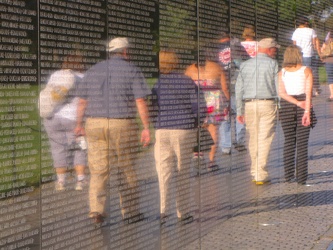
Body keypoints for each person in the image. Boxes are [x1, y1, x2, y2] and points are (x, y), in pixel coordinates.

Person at [75, 37, 151, 225]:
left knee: (98, 169)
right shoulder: (132, 69)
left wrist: (78, 124)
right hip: (121, 123)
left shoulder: (93, 70)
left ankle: (96, 209)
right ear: (125, 52)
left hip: (94, 123)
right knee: (126, 167)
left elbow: (82, 101)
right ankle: (130, 211)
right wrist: (146, 127)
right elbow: (140, 101)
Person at [151, 51, 201, 225]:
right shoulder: (187, 81)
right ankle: (183, 211)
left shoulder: (157, 84)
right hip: (183, 128)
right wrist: (196, 121)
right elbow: (197, 105)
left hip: (162, 128)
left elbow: (153, 108)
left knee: (163, 171)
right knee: (182, 170)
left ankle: (163, 210)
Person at [235, 38, 279, 185]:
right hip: (267, 103)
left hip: (249, 105)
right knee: (265, 138)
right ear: (268, 49)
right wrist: (279, 105)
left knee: (253, 138)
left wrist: (239, 110)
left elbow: (239, 89)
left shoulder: (245, 65)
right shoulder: (273, 64)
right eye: (275, 49)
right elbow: (277, 86)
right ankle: (260, 172)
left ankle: (255, 170)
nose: (276, 52)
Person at [43, 56, 87, 191]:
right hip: (73, 118)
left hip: (53, 117)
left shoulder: (56, 75)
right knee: (79, 148)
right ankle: (80, 181)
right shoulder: (83, 77)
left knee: (57, 150)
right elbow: (83, 101)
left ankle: (61, 182)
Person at [185, 45, 228, 170]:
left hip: (196, 100)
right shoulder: (217, 67)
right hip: (214, 100)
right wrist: (228, 102)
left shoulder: (189, 70)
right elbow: (224, 88)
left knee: (197, 129)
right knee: (213, 130)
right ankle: (211, 161)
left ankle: (198, 154)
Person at [278, 45, 313, 185]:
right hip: (304, 104)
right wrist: (306, 111)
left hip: (286, 107)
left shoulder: (281, 73)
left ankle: (288, 174)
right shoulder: (306, 70)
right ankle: (302, 177)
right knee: (302, 144)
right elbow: (308, 92)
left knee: (289, 141)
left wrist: (295, 103)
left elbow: (281, 93)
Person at [218, 32, 249, 155]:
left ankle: (226, 146)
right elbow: (245, 62)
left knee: (225, 119)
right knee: (240, 114)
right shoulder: (236, 45)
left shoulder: (213, 49)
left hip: (220, 89)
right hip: (236, 86)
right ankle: (239, 141)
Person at [321, 32, 333, 102]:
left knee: (330, 77)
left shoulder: (327, 41)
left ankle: (332, 95)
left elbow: (322, 49)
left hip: (329, 60)